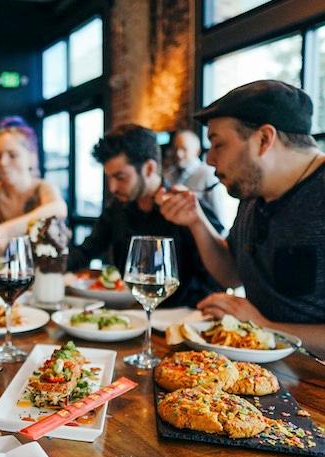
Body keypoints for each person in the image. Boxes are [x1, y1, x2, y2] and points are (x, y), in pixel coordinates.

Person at [156, 80, 325, 352]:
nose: (209, 160)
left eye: (218, 144)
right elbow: (232, 273)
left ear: (264, 139)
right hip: (264, 371)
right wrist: (196, 221)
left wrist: (262, 326)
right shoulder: (253, 193)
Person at [68, 124, 223, 307]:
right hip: (128, 315)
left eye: (121, 177)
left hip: (178, 322)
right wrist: (48, 263)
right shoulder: (117, 209)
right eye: (109, 178)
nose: (112, 188)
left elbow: (217, 279)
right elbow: (86, 251)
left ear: (149, 168)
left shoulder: (187, 208)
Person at [164, 130, 226, 222]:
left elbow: (219, 216)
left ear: (197, 151)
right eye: (176, 149)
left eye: (184, 149)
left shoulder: (209, 174)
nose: (178, 154)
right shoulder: (168, 174)